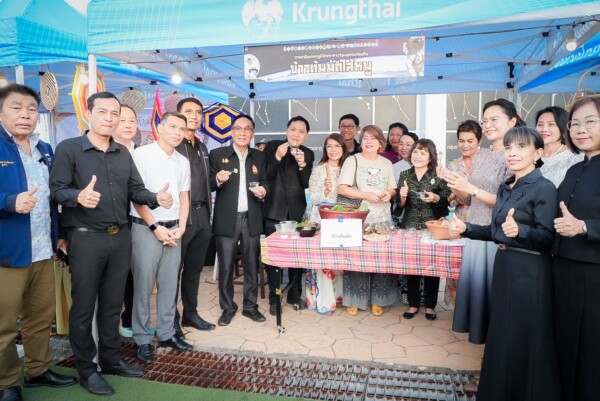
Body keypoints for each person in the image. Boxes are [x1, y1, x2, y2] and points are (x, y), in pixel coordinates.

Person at [50, 91, 173, 396]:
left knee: (112, 305)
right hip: (85, 239)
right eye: (102, 112)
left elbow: (136, 190)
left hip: (120, 238)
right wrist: (77, 196)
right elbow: (57, 190)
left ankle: (111, 359)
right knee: (83, 308)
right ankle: (87, 369)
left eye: (114, 113)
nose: (109, 118)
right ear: (88, 114)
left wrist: (155, 198)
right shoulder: (68, 149)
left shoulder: (122, 153)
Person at [450, 127, 561, 401]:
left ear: (537, 153)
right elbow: (495, 231)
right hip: (504, 265)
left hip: (530, 272)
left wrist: (521, 231)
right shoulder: (506, 187)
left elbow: (549, 238)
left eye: (521, 147)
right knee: (501, 330)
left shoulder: (544, 187)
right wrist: (465, 228)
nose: (512, 153)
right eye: (509, 147)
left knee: (523, 334)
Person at [0, 84, 77, 401]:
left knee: (40, 318)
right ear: (1, 112)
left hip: (43, 250)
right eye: (16, 107)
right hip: (7, 254)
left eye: (32, 109)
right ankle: (6, 383)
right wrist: (9, 201)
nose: (25, 115)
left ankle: (37, 370)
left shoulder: (45, 149)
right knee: (4, 325)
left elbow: (52, 197)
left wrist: (60, 234)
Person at [449, 99, 524, 345]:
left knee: (493, 292)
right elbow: (470, 198)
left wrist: (470, 188)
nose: (488, 125)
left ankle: (496, 345)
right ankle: (483, 340)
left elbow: (509, 202)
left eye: (494, 120)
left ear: (512, 121)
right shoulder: (482, 154)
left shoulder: (514, 155)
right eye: (485, 121)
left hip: (497, 233)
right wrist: (457, 185)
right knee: (477, 289)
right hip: (475, 228)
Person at [130, 112, 193, 365]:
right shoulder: (141, 155)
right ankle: (142, 339)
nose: (178, 132)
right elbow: (135, 195)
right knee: (143, 286)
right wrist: (155, 226)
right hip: (146, 228)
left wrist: (182, 227)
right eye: (173, 126)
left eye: (182, 129)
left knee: (169, 285)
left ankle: (166, 334)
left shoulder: (183, 161)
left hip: (174, 229)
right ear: (160, 127)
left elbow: (184, 196)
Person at [553, 96, 600, 401]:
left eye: (590, 121)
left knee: (591, 352)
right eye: (575, 123)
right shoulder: (573, 169)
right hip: (564, 270)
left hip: (594, 276)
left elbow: (578, 222)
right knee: (566, 346)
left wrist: (584, 227)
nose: (581, 130)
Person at [210, 115, 268, 326]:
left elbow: (265, 181)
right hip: (227, 219)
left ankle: (250, 307)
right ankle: (228, 307)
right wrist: (218, 179)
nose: (242, 132)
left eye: (247, 129)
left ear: (253, 133)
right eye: (238, 128)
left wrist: (263, 191)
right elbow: (208, 183)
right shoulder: (217, 154)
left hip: (252, 218)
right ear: (231, 131)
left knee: (251, 264)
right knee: (226, 267)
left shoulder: (259, 156)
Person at [337, 125, 398, 317]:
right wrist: (367, 195)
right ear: (361, 141)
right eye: (365, 138)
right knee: (357, 258)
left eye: (373, 138)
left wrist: (389, 194)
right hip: (359, 217)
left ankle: (379, 299)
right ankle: (355, 299)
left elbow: (393, 188)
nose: (369, 141)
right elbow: (342, 188)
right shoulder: (352, 160)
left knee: (381, 258)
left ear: (380, 143)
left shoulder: (386, 163)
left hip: (382, 218)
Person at [263, 116, 315, 315]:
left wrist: (302, 165)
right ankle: (274, 299)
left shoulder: (308, 153)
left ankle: (294, 295)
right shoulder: (272, 147)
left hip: (296, 213)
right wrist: (277, 156)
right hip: (273, 211)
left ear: (306, 136)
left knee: (297, 257)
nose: (296, 134)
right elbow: (265, 175)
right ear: (286, 131)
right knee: (273, 259)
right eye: (293, 129)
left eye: (301, 131)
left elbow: (306, 183)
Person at [173, 98, 215, 336]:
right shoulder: (173, 146)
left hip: (202, 214)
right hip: (180, 218)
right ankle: (171, 321)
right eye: (188, 111)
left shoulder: (202, 147)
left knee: (194, 270)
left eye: (198, 112)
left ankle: (190, 314)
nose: (194, 115)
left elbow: (205, 181)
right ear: (178, 114)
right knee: (173, 271)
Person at [397, 139, 450, 321]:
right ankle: (413, 304)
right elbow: (400, 205)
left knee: (432, 266)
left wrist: (436, 198)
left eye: (423, 153)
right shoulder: (404, 174)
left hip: (432, 227)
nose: (418, 156)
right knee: (412, 266)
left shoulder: (438, 174)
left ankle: (430, 306)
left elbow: (447, 200)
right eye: (415, 152)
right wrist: (402, 197)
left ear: (430, 157)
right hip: (410, 227)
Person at [440, 120, 483, 307]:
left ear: (479, 141)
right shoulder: (454, 165)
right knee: (458, 261)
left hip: (483, 217)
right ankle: (458, 307)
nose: (465, 145)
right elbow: (456, 198)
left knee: (480, 263)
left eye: (470, 141)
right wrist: (452, 186)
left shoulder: (488, 162)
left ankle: (480, 305)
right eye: (461, 140)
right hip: (460, 218)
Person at [306, 133, 348, 314]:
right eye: (329, 146)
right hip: (321, 218)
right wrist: (326, 190)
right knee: (322, 259)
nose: (333, 150)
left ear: (343, 149)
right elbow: (314, 199)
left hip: (342, 219)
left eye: (337, 146)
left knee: (339, 258)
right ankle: (324, 300)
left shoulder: (348, 169)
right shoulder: (318, 170)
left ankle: (340, 297)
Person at [114, 104, 138, 338]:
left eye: (132, 120)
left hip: (140, 220)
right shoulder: (105, 151)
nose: (128, 125)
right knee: (117, 273)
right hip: (114, 222)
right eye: (123, 120)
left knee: (136, 273)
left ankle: (130, 318)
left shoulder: (143, 153)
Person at [536, 106, 583, 187]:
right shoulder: (529, 154)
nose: (544, 129)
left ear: (563, 127)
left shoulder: (576, 157)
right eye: (540, 124)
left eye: (551, 124)